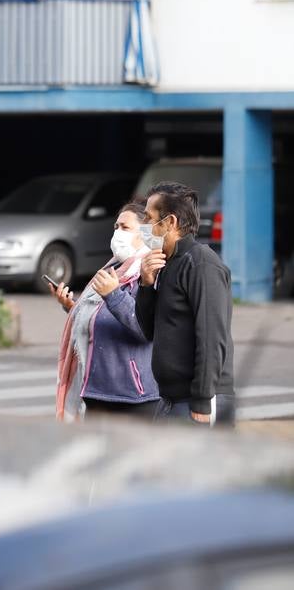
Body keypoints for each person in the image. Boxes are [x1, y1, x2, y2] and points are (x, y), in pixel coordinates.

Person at [135, 181, 235, 426]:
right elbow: (149, 330)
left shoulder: (201, 263)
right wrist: (146, 285)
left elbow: (212, 336)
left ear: (170, 222)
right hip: (170, 400)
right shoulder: (167, 263)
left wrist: (201, 400)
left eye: (149, 218)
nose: (144, 226)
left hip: (197, 402)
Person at [53, 201, 159, 421]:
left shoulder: (150, 272)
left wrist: (113, 294)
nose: (118, 233)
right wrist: (72, 308)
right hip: (95, 392)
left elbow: (143, 327)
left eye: (125, 227)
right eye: (116, 227)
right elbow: (104, 317)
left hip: (132, 396)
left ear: (146, 233)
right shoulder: (112, 268)